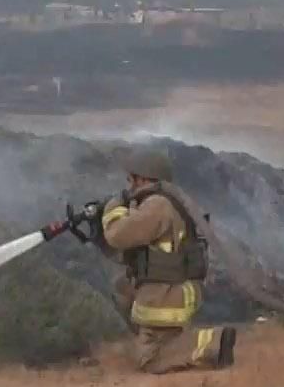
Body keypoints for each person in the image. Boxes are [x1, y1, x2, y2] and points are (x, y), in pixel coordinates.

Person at [94, 147, 235, 372]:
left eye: (131, 179)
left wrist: (112, 208)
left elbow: (118, 235)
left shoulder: (158, 205)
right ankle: (155, 338)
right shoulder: (164, 203)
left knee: (150, 360)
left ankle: (214, 342)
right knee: (121, 285)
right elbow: (133, 250)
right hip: (173, 289)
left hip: (167, 294)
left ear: (143, 178)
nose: (128, 186)